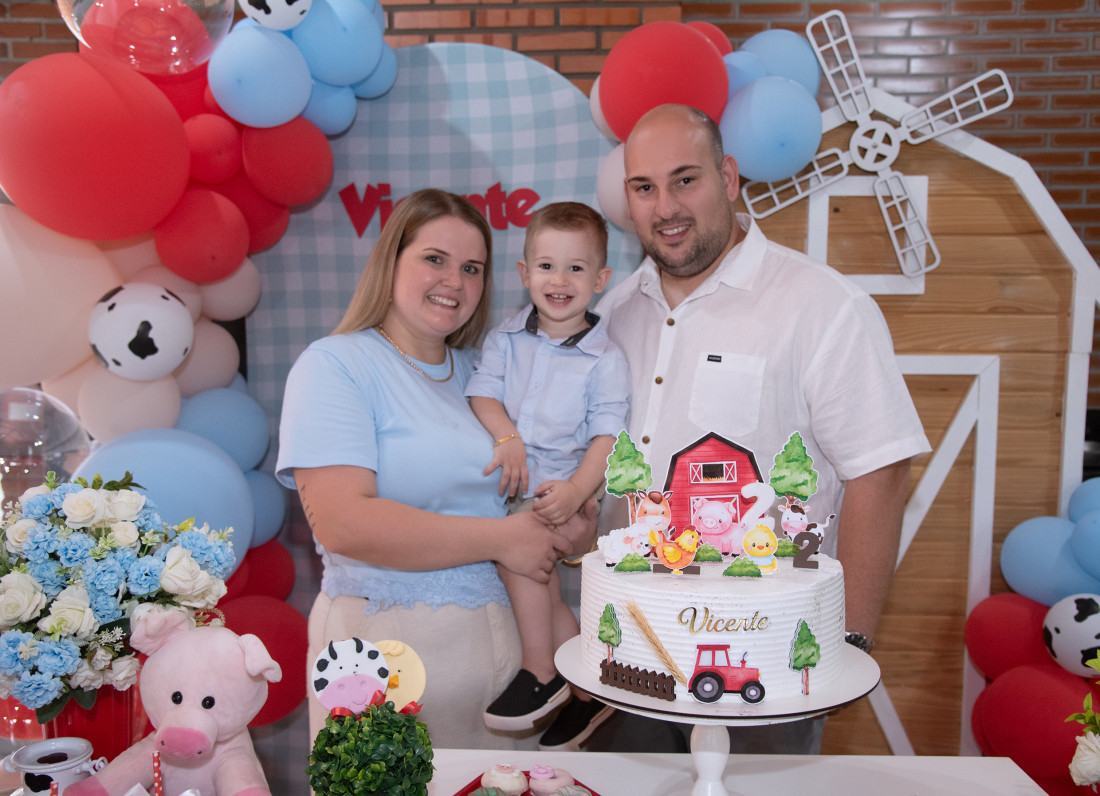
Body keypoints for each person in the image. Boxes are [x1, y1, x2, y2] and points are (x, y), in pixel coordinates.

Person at [590, 104, 931, 754]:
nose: (665, 207)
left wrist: (846, 641)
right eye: (644, 188)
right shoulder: (612, 314)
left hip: (765, 657)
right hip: (631, 649)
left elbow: (880, 473)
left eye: (685, 180)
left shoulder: (824, 307)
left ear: (729, 176)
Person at [275, 189, 595, 750]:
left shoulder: (486, 374)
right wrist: (506, 539)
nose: (455, 281)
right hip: (385, 663)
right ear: (391, 260)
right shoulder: (335, 366)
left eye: (472, 268)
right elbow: (344, 523)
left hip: (509, 678)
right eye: (434, 259)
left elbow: (532, 498)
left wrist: (568, 524)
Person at [466, 202, 629, 749]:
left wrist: (581, 490)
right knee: (551, 597)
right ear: (524, 273)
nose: (560, 281)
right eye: (546, 266)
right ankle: (593, 691)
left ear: (601, 280)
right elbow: (483, 393)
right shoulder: (505, 340)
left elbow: (608, 436)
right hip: (513, 487)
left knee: (523, 562)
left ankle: (541, 672)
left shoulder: (606, 358)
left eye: (577, 269)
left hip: (566, 492)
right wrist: (507, 437)